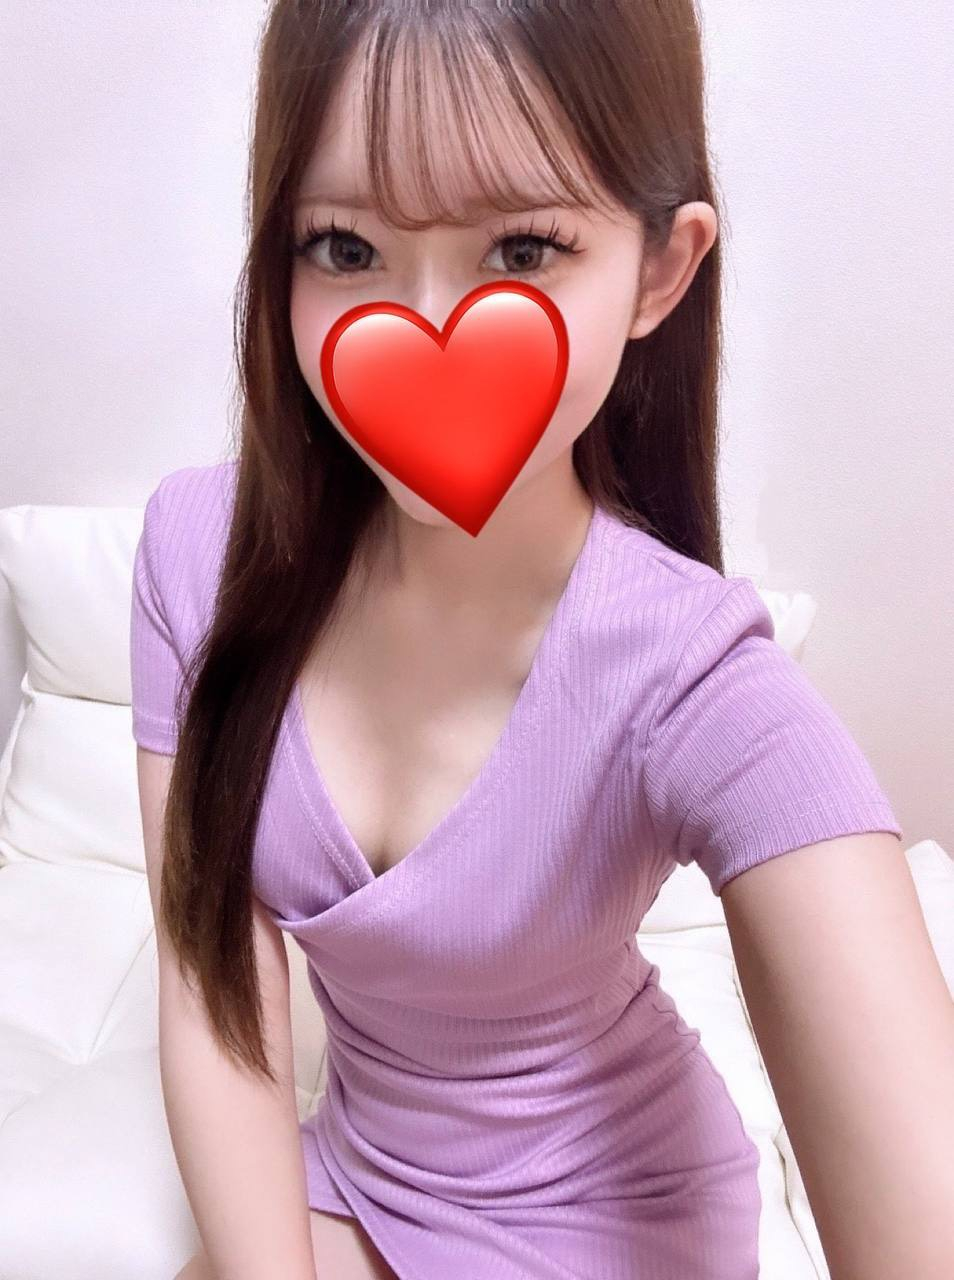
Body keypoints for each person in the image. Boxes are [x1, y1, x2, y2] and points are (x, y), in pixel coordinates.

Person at [132, 4, 946, 1279]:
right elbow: (216, 1001)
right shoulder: (199, 556)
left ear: (660, 271)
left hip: (614, 1213)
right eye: (344, 245)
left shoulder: (695, 680)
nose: (425, 325)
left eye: (523, 248)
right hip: (361, 1167)